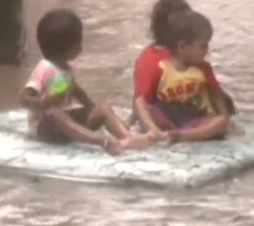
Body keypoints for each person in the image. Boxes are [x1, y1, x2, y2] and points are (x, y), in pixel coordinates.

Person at [19, 8, 153, 155]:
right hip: (44, 126)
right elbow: (24, 98)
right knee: (57, 116)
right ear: (64, 47)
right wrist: (42, 103)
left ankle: (127, 137)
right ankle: (102, 141)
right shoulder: (44, 68)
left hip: (67, 122)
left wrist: (95, 111)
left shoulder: (65, 68)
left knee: (103, 109)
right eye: (78, 43)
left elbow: (78, 92)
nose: (81, 47)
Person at [132, 7, 237, 144]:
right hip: (166, 117)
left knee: (221, 122)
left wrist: (225, 120)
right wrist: (145, 121)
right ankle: (155, 133)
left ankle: (183, 136)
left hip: (195, 119)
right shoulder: (160, 69)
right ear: (182, 47)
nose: (207, 51)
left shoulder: (203, 69)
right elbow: (147, 100)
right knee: (139, 103)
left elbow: (216, 95)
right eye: (203, 46)